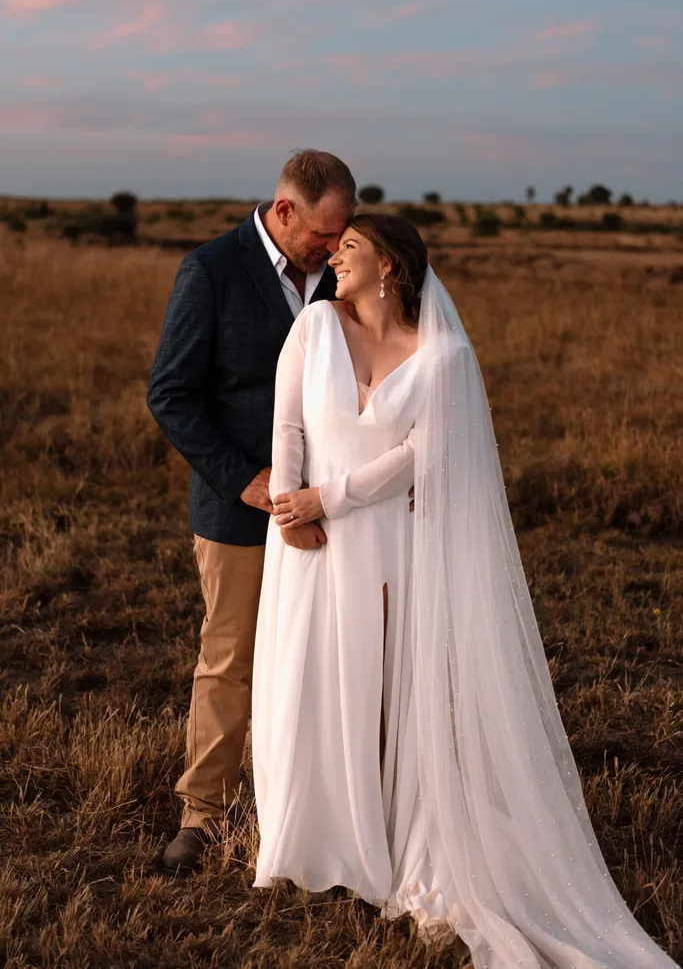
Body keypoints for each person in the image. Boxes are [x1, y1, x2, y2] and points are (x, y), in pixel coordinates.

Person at [251, 213, 678, 967]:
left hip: (384, 540)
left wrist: (333, 497)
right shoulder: (314, 328)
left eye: (349, 247)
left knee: (381, 687)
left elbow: (423, 453)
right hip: (305, 542)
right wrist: (291, 508)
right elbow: (287, 427)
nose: (333, 257)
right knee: (307, 682)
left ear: (391, 267)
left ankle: (379, 843)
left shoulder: (443, 356)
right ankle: (310, 840)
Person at [147, 150, 356, 872]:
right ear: (284, 210)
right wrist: (245, 480)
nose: (333, 250)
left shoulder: (341, 273)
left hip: (333, 511)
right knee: (229, 661)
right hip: (239, 514)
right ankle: (201, 815)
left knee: (322, 658)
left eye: (343, 236)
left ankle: (309, 807)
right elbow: (170, 394)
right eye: (323, 235)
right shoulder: (209, 270)